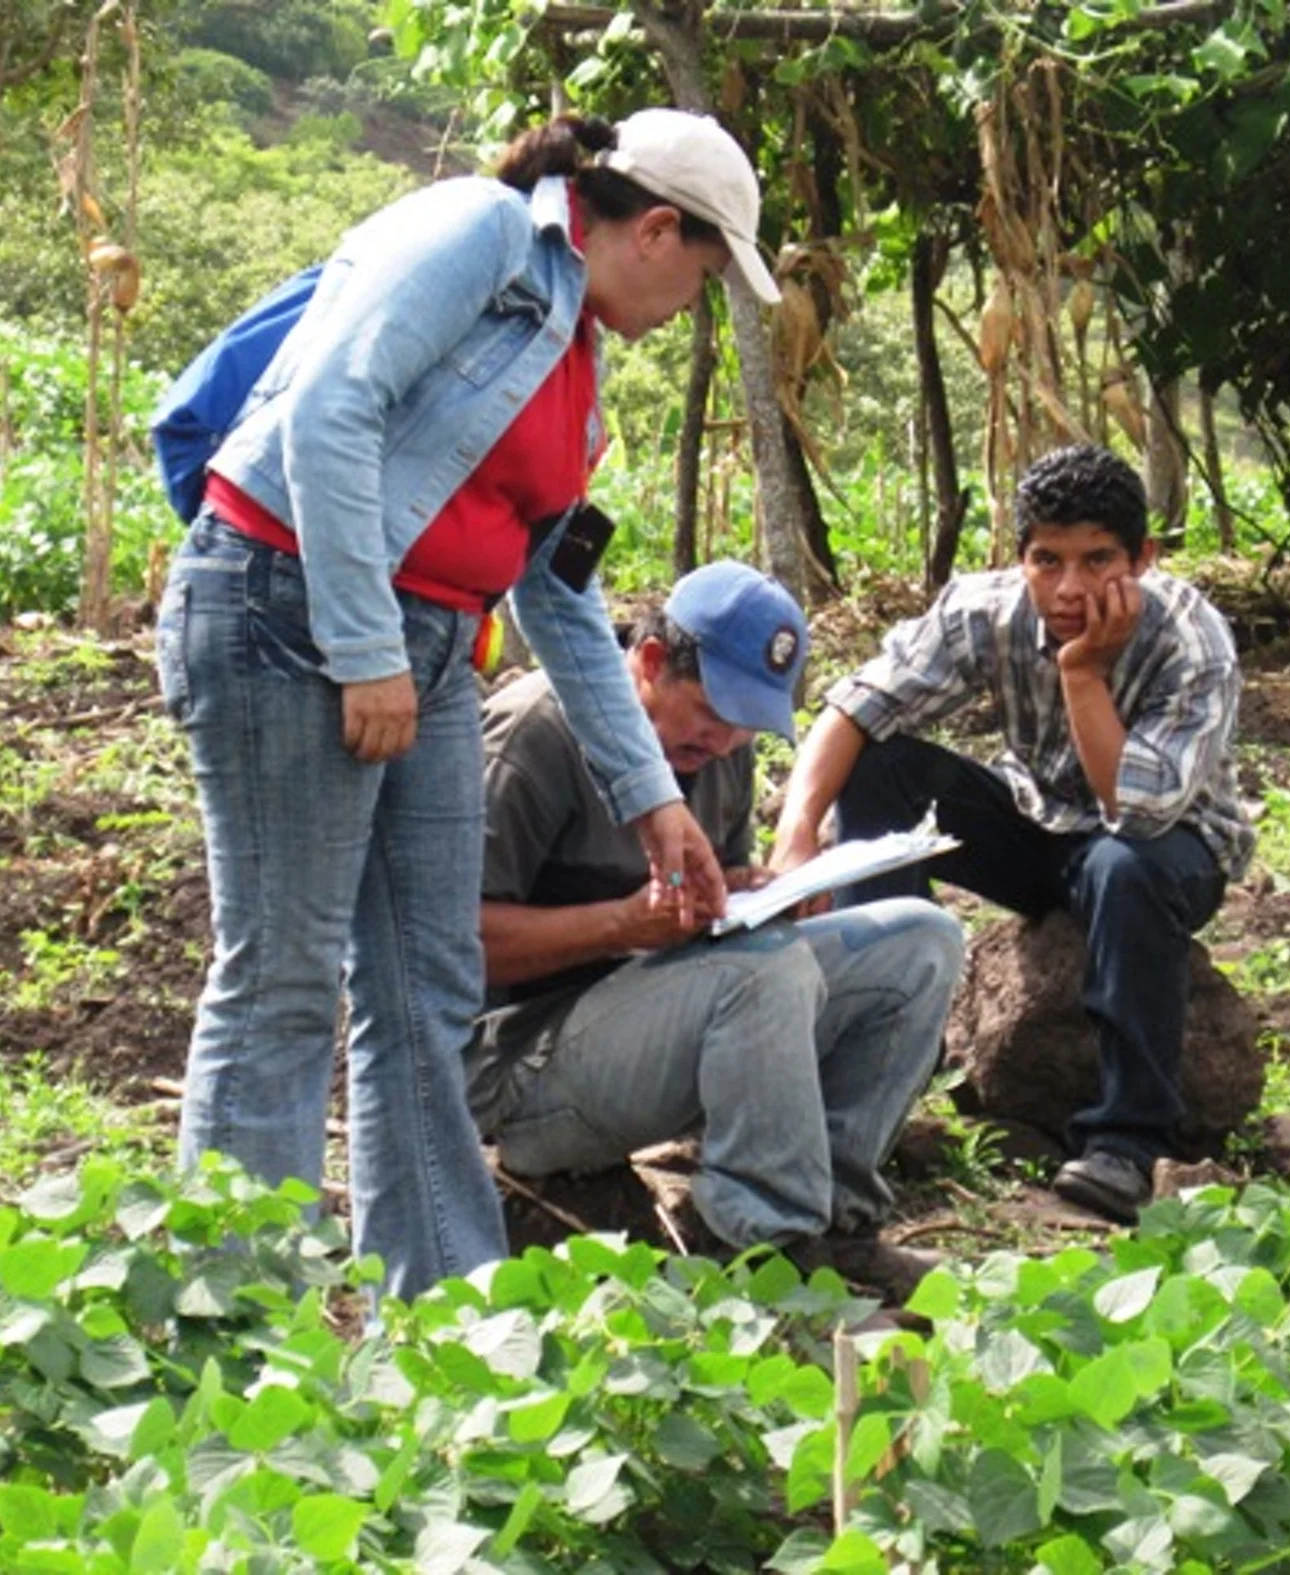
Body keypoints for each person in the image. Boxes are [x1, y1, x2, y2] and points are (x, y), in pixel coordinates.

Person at [154, 110, 781, 1301]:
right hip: (287, 605)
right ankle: (234, 1328)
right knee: (282, 978)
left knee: (425, 982)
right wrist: (360, 645)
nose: (693, 308)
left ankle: (443, 1316)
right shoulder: (477, 232)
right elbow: (335, 405)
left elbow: (559, 589)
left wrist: (655, 801)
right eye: (703, 278)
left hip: (432, 648)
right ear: (655, 229)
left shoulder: (576, 357)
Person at [769, 444, 1254, 1225]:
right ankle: (888, 1042)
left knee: (1124, 867)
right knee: (880, 768)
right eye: (1046, 559)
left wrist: (1083, 672)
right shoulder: (983, 610)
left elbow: (1138, 808)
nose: (1068, 587)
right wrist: (796, 836)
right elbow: (857, 707)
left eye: (1098, 560)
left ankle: (1126, 1143)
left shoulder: (1189, 638)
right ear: (1018, 555)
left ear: (1145, 558)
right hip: (1042, 824)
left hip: (1166, 846)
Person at [467, 562, 965, 1301]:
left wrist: (753, 893)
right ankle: (767, 1258)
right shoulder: (539, 728)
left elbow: (714, 919)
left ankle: (839, 1228)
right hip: (515, 1065)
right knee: (767, 973)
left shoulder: (718, 753)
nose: (728, 738)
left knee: (923, 941)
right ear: (650, 662)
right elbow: (453, 942)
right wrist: (622, 923)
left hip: (658, 1020)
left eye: (748, 723)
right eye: (712, 710)